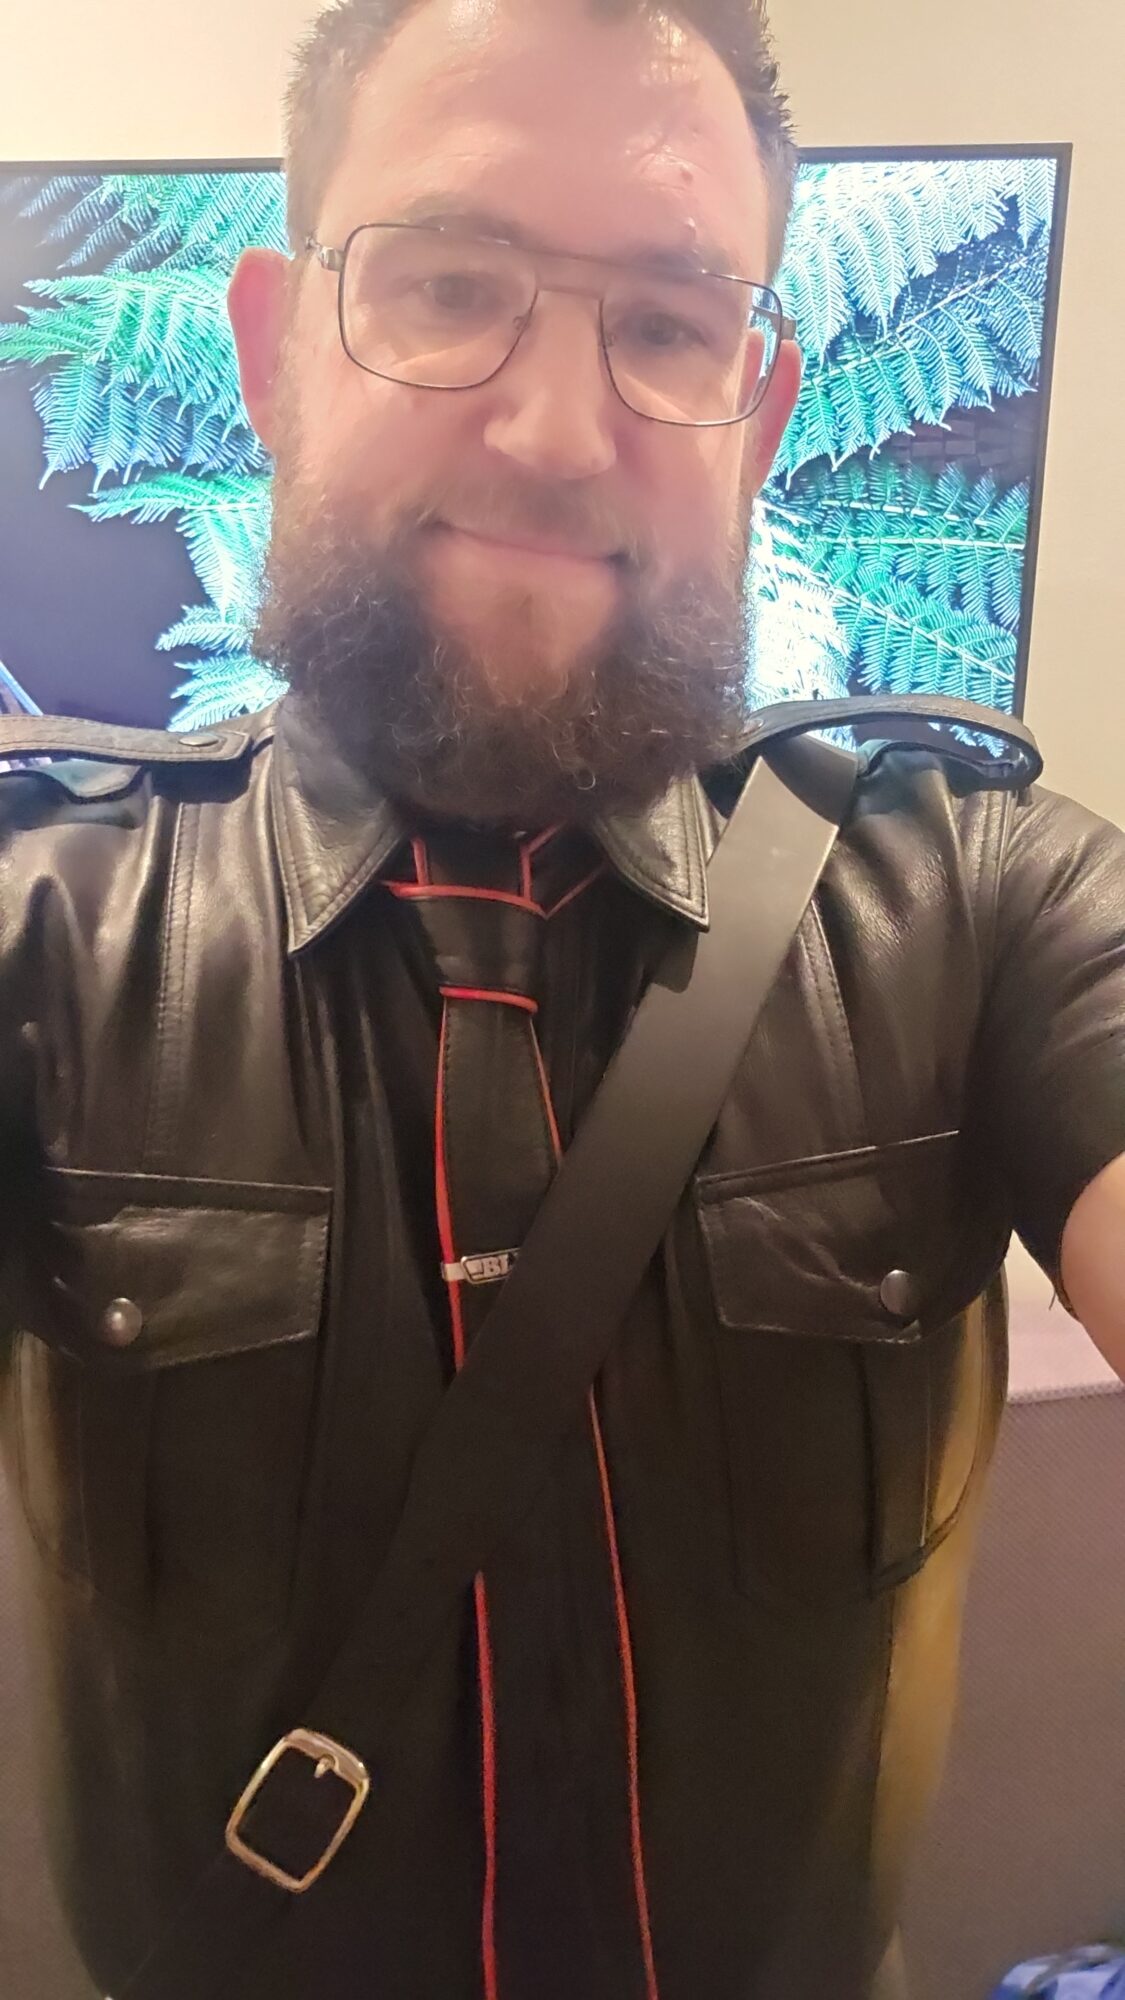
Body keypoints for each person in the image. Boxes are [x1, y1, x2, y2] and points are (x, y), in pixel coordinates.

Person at [1, 2, 1123, 1997]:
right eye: (448, 286)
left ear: (754, 415)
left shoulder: (981, 898)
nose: (549, 427)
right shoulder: (46, 936)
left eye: (667, 325)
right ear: (273, 353)